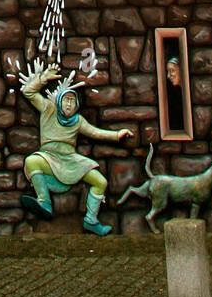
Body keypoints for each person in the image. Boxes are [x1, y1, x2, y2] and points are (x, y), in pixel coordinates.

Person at [19, 59, 132, 236]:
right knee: (32, 160)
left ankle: (91, 220)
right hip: (48, 156)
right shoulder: (48, 109)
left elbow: (96, 132)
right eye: (66, 100)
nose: (69, 104)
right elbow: (28, 92)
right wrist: (43, 78)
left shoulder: (78, 121)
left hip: (71, 159)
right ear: (59, 101)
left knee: (100, 181)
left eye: (73, 101)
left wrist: (117, 134)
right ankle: (44, 202)